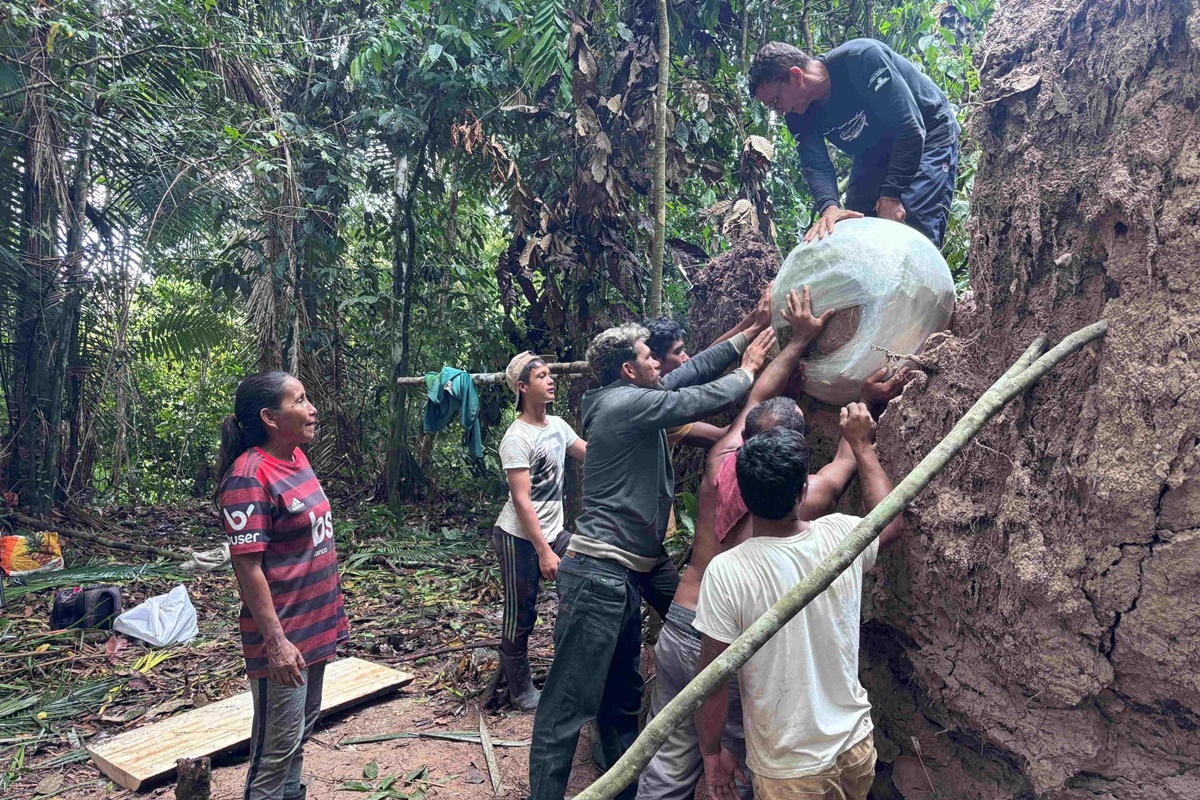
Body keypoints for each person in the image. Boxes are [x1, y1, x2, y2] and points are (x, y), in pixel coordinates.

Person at [526, 322, 776, 800]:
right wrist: (748, 373)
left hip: (627, 573)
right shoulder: (625, 404)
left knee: (622, 701)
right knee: (566, 707)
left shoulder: (633, 395)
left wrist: (747, 335)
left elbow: (693, 371)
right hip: (599, 576)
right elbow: (694, 399)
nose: (659, 363)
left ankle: (624, 791)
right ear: (628, 369)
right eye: (649, 358)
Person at [638, 287, 860, 800]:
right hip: (722, 644)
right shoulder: (793, 499)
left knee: (669, 763)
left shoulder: (723, 458)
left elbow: (756, 398)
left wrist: (798, 341)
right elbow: (845, 463)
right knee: (733, 766)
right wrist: (865, 403)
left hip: (679, 625)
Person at [693, 406, 905, 800]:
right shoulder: (840, 534)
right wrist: (862, 444)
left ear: (743, 491)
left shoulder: (727, 572)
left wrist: (711, 751)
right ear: (803, 491)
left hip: (789, 767)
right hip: (856, 743)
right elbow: (890, 522)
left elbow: (712, 679)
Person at [216, 372, 349, 800]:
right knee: (274, 754)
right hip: (284, 637)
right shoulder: (248, 477)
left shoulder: (297, 459)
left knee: (298, 734)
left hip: (315, 626)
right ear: (270, 417)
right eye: (300, 400)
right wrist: (276, 643)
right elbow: (247, 568)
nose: (312, 409)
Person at [749, 39, 960, 248]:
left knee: (911, 225)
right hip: (874, 152)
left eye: (776, 101)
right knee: (855, 223)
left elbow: (910, 128)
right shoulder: (797, 113)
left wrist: (891, 195)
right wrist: (829, 207)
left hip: (928, 134)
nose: (779, 111)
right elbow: (816, 164)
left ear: (795, 76)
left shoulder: (862, 59)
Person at [492, 351, 586, 711]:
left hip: (556, 531)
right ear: (522, 386)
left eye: (551, 375)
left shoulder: (559, 426)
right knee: (521, 612)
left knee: (585, 578)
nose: (551, 381)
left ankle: (571, 668)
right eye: (542, 376)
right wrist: (544, 550)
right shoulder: (516, 437)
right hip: (519, 538)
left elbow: (588, 454)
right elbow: (521, 501)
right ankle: (519, 690)